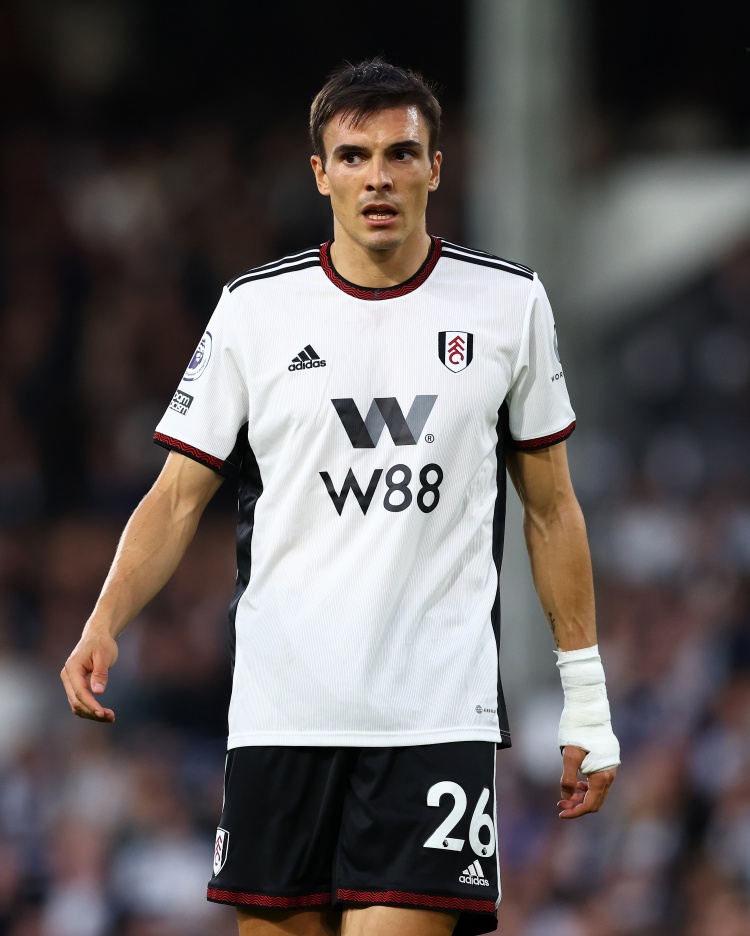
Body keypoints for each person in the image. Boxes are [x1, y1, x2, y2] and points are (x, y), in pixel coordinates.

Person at [61, 59, 620, 936]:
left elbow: (551, 508)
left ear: (435, 167)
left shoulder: (508, 305)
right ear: (320, 173)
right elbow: (175, 499)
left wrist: (585, 694)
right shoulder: (255, 311)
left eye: (402, 154)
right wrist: (104, 620)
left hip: (434, 715)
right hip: (282, 714)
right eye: (354, 157)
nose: (379, 178)